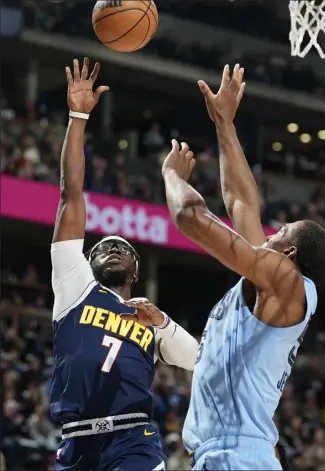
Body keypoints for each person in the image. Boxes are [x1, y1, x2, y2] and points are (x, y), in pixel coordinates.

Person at [161, 64, 325, 470]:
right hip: (226, 455)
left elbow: (190, 216)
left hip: (237, 457)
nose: (271, 232)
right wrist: (225, 124)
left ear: (290, 255)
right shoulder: (270, 284)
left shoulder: (287, 283)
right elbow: (241, 202)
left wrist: (171, 175)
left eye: (282, 231)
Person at [51, 58, 198, 471]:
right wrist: (79, 116)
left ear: (134, 271)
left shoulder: (149, 317)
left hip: (134, 439)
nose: (112, 248)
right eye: (102, 247)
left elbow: (201, 360)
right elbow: (71, 195)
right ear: (88, 262)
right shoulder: (74, 286)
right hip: (76, 443)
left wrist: (163, 324)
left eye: (123, 248)